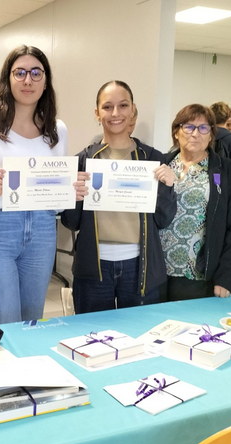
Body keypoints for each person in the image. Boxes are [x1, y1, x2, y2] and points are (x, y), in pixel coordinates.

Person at [0, 45, 68, 324]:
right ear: (8, 79)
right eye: (19, 73)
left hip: (42, 228)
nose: (27, 80)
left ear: (46, 81)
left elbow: (53, 190)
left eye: (35, 72)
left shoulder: (57, 128)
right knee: (3, 320)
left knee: (32, 319)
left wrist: (70, 191)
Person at [60, 80, 176, 313]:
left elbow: (163, 220)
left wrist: (168, 186)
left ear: (133, 109)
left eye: (123, 106)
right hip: (94, 267)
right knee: (92, 336)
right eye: (107, 107)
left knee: (138, 335)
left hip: (139, 268)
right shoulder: (81, 161)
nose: (115, 113)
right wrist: (75, 197)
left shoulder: (153, 159)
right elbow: (70, 222)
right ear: (97, 113)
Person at [159, 104, 231, 301]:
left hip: (196, 274)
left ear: (211, 134)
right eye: (188, 127)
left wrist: (226, 277)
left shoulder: (228, 172)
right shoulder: (160, 165)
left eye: (203, 128)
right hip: (157, 272)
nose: (195, 134)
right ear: (176, 132)